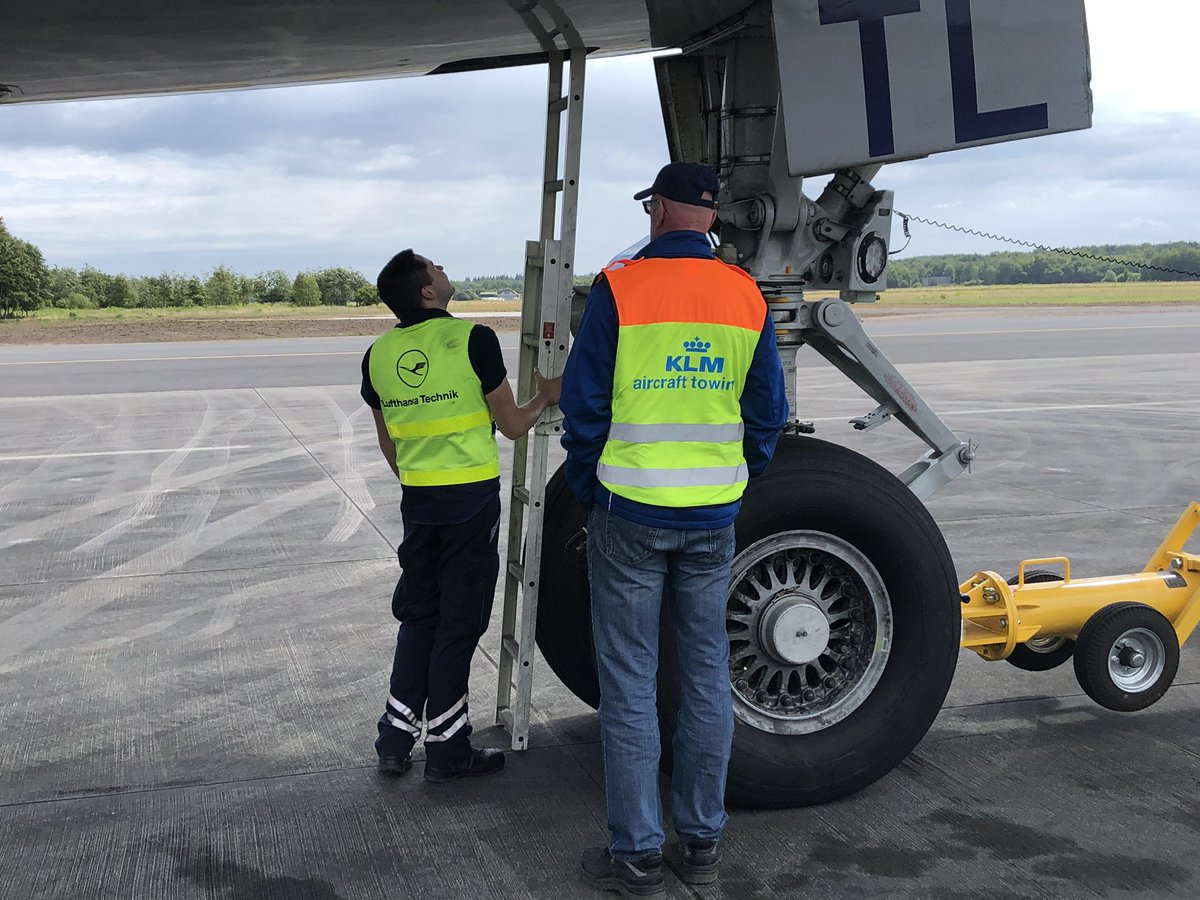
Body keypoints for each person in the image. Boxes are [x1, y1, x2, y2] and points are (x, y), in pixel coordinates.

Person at [561, 162, 788, 896]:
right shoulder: (745, 295)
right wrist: (735, 475)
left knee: (630, 685)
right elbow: (766, 413)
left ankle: (635, 853)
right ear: (713, 218)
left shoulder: (620, 286)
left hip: (629, 511)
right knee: (705, 679)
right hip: (711, 518)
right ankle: (701, 844)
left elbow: (585, 402)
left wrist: (588, 484)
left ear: (658, 209)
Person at [362, 249, 560, 783]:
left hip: (419, 501)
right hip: (469, 502)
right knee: (459, 621)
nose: (446, 270)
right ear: (428, 291)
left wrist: (417, 479)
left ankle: (395, 739)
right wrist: (544, 397)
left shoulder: (378, 355)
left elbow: (389, 441)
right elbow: (514, 426)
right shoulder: (472, 340)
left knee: (418, 615)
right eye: (438, 268)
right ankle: (448, 749)